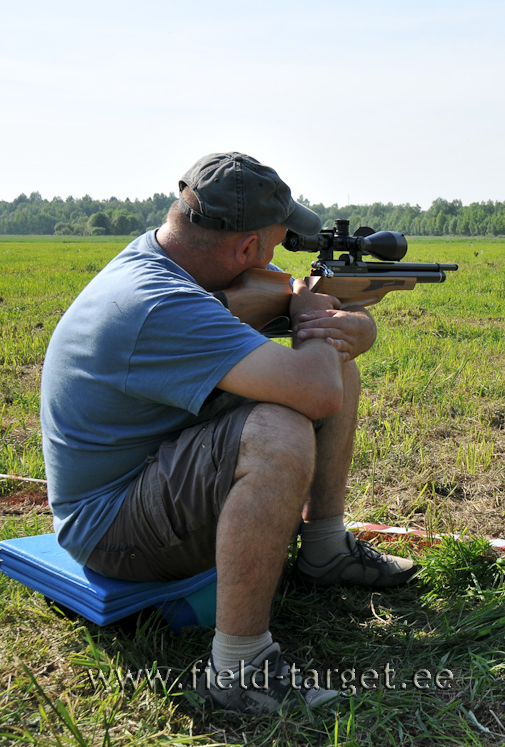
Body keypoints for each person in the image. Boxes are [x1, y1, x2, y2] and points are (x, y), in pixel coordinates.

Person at [40, 152, 417, 715]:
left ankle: (323, 550)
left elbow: (317, 334)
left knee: (333, 370)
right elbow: (315, 393)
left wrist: (349, 327)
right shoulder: (159, 303)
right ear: (244, 250)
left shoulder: (171, 263)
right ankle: (241, 671)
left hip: (149, 472)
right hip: (108, 530)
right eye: (272, 245)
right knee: (278, 430)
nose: (274, 259)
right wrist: (319, 321)